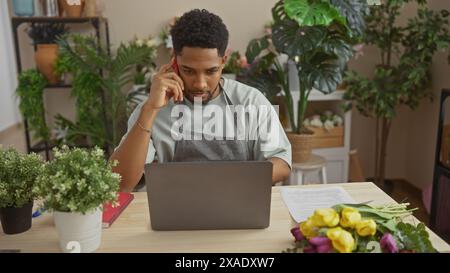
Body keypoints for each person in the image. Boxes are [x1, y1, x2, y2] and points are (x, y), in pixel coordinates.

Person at [110, 9, 292, 192]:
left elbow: (282, 163)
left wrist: (226, 183)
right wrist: (149, 110)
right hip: (174, 213)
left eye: (211, 71)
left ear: (223, 62)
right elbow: (120, 184)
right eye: (188, 70)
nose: (200, 84)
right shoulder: (152, 109)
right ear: (174, 62)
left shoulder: (250, 101)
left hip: (237, 204)